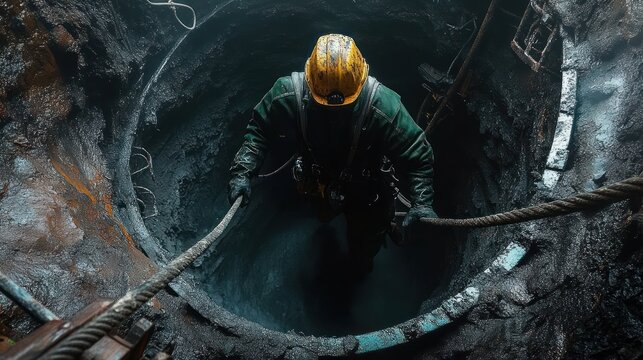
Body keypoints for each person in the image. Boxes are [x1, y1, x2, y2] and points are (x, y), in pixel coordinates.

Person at [228, 34, 436, 278]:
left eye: (343, 108)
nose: (334, 115)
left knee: (365, 242)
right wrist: (241, 171)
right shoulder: (287, 95)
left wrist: (422, 202)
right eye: (325, 107)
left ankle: (357, 272)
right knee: (322, 213)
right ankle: (326, 240)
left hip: (367, 192)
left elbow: (417, 156)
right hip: (318, 182)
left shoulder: (383, 108)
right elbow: (260, 130)